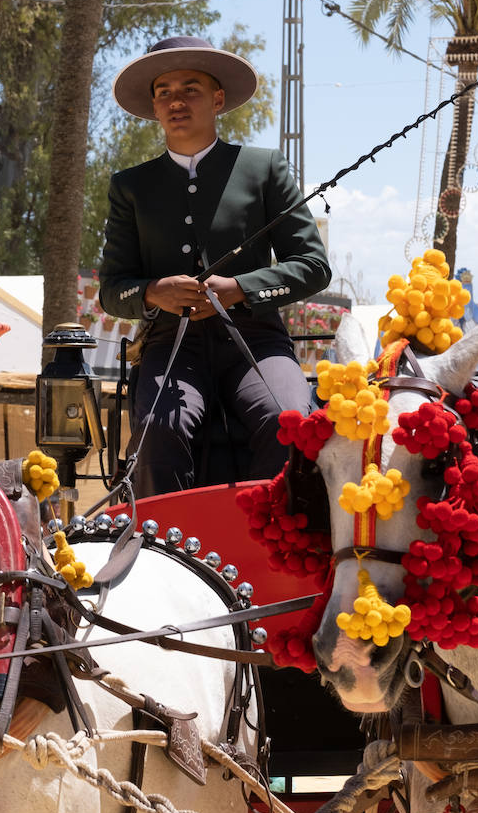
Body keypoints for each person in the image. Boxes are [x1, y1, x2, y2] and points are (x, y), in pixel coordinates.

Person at [99, 35, 331, 497]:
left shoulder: (263, 168)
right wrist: (152, 291)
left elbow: (313, 265)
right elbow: (112, 288)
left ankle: (270, 545)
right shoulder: (130, 186)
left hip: (257, 341)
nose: (176, 101)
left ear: (218, 99)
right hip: (170, 347)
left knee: (291, 421)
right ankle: (163, 552)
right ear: (154, 105)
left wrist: (241, 287)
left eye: (191, 88)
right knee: (156, 429)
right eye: (164, 91)